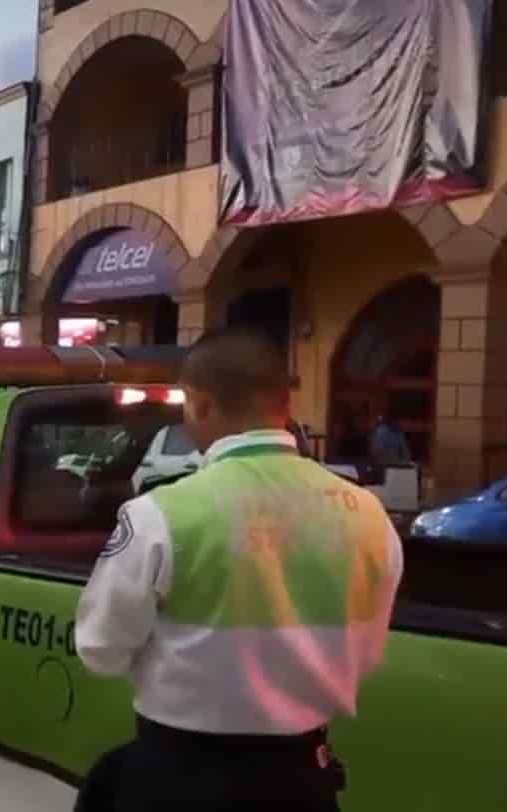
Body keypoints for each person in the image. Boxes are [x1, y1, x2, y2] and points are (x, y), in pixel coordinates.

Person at [73, 328, 403, 812]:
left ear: (200, 403)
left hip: (180, 779)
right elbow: (367, 654)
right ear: (283, 404)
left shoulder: (160, 514)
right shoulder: (368, 514)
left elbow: (100, 649)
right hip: (304, 783)